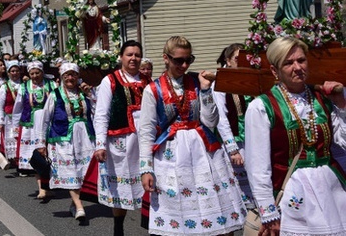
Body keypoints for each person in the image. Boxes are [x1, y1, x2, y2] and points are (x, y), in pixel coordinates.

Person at [139, 36, 245, 235]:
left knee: (214, 210)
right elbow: (146, 131)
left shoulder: (198, 81)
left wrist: (205, 91)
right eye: (179, 60)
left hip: (203, 151)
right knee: (179, 213)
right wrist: (146, 168)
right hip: (170, 154)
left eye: (189, 59)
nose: (185, 65)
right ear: (166, 58)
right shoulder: (152, 90)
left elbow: (211, 121)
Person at [244, 36, 346, 235]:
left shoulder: (322, 98)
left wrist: (341, 105)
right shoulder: (262, 107)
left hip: (330, 188)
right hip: (292, 191)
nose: (297, 67)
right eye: (288, 63)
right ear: (275, 71)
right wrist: (268, 213)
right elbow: (257, 166)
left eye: (301, 60)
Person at [93, 40, 151, 236]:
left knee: (150, 183)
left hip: (144, 142)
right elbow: (101, 114)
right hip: (121, 143)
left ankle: (155, 226)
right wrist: (100, 144)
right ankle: (118, 226)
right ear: (121, 57)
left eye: (137, 54)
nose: (134, 58)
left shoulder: (148, 82)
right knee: (121, 189)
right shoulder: (110, 80)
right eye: (129, 54)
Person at [39, 62, 95, 222]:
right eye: (67, 75)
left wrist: (90, 95)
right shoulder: (54, 95)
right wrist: (41, 144)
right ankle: (79, 206)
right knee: (71, 171)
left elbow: (98, 113)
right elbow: (45, 120)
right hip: (63, 140)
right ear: (62, 77)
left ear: (78, 76)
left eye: (73, 75)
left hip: (85, 138)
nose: (70, 78)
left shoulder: (85, 93)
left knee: (83, 173)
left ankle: (74, 204)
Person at [213, 43, 254, 209]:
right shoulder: (221, 83)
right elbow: (221, 118)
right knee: (236, 191)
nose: (241, 62)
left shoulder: (250, 81)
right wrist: (233, 149)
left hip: (252, 141)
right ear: (228, 61)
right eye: (237, 59)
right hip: (234, 143)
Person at [12, 60, 57, 187]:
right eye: (32, 73)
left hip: (48, 125)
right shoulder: (24, 87)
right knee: (36, 155)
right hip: (30, 126)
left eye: (37, 73)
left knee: (49, 154)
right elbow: (17, 109)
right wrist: (15, 128)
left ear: (42, 72)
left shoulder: (52, 85)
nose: (35, 76)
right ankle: (41, 187)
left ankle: (50, 183)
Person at [0, 60, 23, 167]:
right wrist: (0, 121)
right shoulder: (4, 87)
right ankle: (13, 161)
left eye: (16, 71)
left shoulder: (24, 85)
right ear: (8, 73)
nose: (15, 73)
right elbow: (0, 106)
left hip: (22, 118)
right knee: (11, 139)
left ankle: (20, 160)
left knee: (20, 139)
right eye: (12, 71)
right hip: (9, 119)